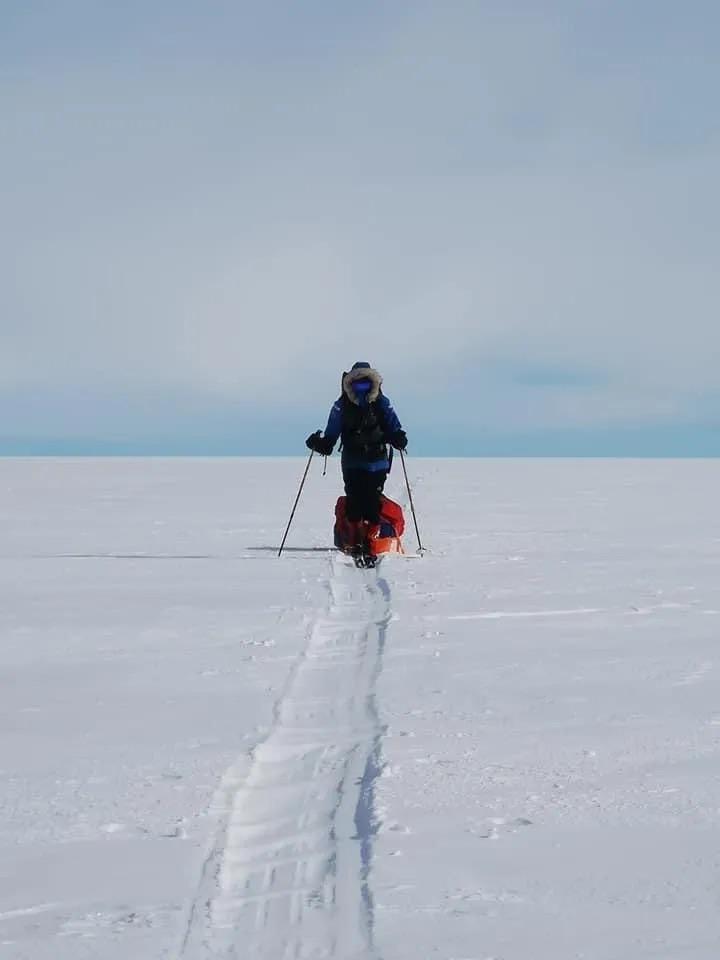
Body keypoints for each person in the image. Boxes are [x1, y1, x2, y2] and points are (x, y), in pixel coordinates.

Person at [306, 362, 408, 531]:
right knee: (356, 502)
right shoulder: (342, 406)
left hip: (375, 461)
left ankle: (367, 536)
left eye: (365, 383)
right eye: (357, 383)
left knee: (371, 501)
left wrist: (398, 437)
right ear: (350, 383)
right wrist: (320, 444)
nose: (361, 387)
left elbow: (393, 426)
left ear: (372, 383)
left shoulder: (380, 403)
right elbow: (330, 436)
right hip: (355, 462)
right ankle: (359, 536)